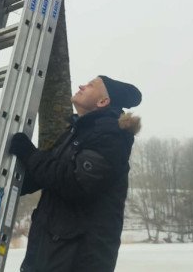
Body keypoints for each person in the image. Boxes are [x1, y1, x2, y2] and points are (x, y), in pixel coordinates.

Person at [9, 76, 142, 272]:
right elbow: (43, 175)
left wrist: (29, 154)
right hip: (51, 254)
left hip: (77, 260)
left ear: (102, 101)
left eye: (91, 85)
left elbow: (75, 182)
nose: (82, 85)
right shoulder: (76, 133)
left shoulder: (111, 135)